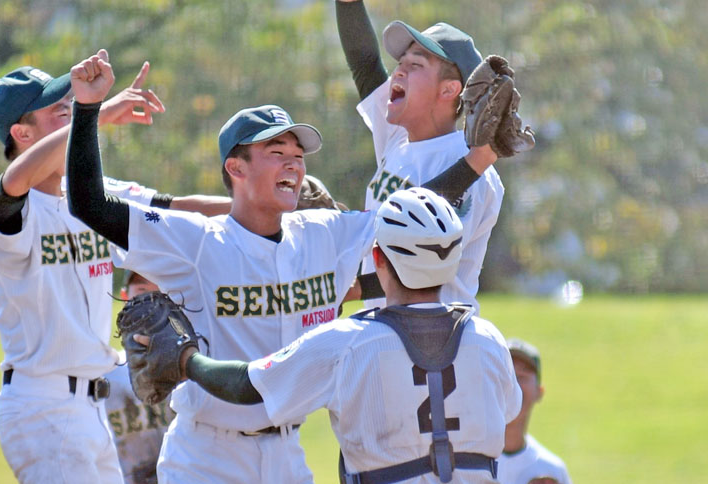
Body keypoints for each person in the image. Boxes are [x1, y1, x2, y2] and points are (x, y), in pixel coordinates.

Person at [65, 50, 496, 484]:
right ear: (236, 167)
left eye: (298, 154)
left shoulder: (326, 233)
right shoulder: (195, 242)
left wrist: (480, 159)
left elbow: (411, 214)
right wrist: (87, 108)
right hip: (206, 455)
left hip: (288, 455)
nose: (294, 162)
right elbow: (90, 204)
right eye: (276, 151)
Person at [140, 187, 521, 484]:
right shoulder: (488, 340)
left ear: (377, 259)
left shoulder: (347, 342)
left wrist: (188, 361)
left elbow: (247, 386)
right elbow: (507, 412)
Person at [0, 59, 227, 483]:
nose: (70, 111)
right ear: (22, 133)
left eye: (71, 107)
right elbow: (15, 181)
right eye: (59, 111)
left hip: (92, 408)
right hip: (41, 406)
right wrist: (97, 113)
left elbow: (176, 209)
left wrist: (264, 210)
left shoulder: (91, 197)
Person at [336, 0, 504, 314]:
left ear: (448, 89)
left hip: (440, 344)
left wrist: (348, 287)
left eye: (416, 65)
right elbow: (365, 63)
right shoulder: (399, 137)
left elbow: (424, 258)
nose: (398, 69)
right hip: (391, 330)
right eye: (401, 61)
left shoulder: (472, 167)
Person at [106, 270, 175, 484]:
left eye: (159, 293)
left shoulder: (188, 369)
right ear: (125, 296)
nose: (149, 302)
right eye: (142, 291)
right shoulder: (104, 374)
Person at [497, 339, 573, 484]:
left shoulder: (552, 469)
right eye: (508, 373)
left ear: (539, 391)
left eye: (522, 377)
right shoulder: (463, 459)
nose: (514, 385)